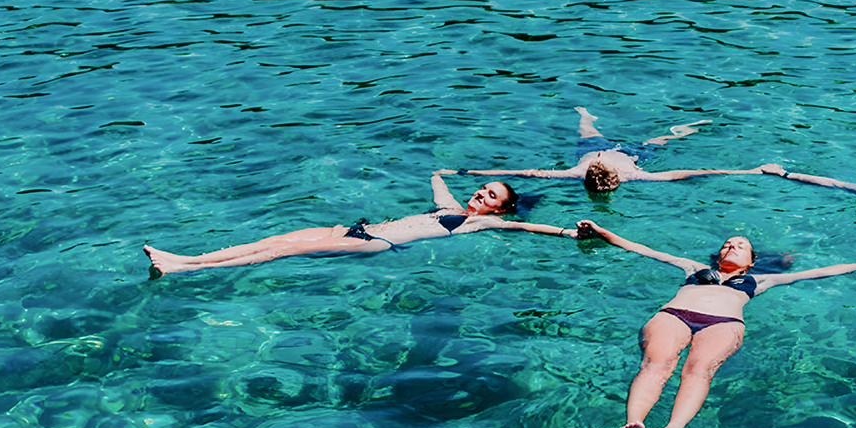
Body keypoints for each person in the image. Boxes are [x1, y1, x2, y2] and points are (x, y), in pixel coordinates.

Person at [574, 220, 856, 428]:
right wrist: (603, 233)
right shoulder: (692, 268)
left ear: (751, 261)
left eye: (741, 246)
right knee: (656, 364)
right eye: (728, 244)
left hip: (722, 323)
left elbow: (820, 272)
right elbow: (644, 250)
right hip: (674, 315)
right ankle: (634, 423)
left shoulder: (761, 281)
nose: (732, 246)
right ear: (718, 254)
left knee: (698, 371)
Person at [143, 172, 578, 275]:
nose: (481, 194)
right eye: (482, 188)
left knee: (281, 251)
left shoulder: (478, 225)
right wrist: (444, 171)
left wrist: (569, 232)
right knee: (275, 237)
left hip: (374, 243)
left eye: (491, 196)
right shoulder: (450, 208)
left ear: (499, 210)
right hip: (352, 228)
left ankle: (185, 267)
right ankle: (189, 258)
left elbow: (526, 228)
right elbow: (438, 185)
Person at [462, 106, 787, 193]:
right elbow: (687, 173)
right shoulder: (627, 174)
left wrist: (468, 171)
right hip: (630, 155)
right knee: (657, 141)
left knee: (590, 132)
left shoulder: (579, 173)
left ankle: (586, 115)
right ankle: (684, 128)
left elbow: (525, 173)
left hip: (617, 152)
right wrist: (749, 171)